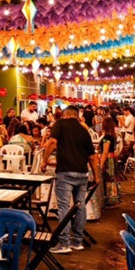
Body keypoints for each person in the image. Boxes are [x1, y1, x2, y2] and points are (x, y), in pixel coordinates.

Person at [41, 105, 97, 254]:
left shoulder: (61, 123)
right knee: (80, 207)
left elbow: (52, 142)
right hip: (82, 173)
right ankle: (77, 241)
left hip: (65, 172)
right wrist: (97, 176)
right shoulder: (84, 130)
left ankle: (64, 243)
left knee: (64, 207)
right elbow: (92, 157)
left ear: (65, 115)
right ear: (77, 116)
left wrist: (44, 161)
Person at [98, 116, 120, 208]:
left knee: (109, 179)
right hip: (112, 158)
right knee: (112, 178)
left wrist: (101, 164)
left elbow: (105, 152)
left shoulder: (106, 138)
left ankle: (111, 200)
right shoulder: (112, 136)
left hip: (108, 160)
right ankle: (113, 199)